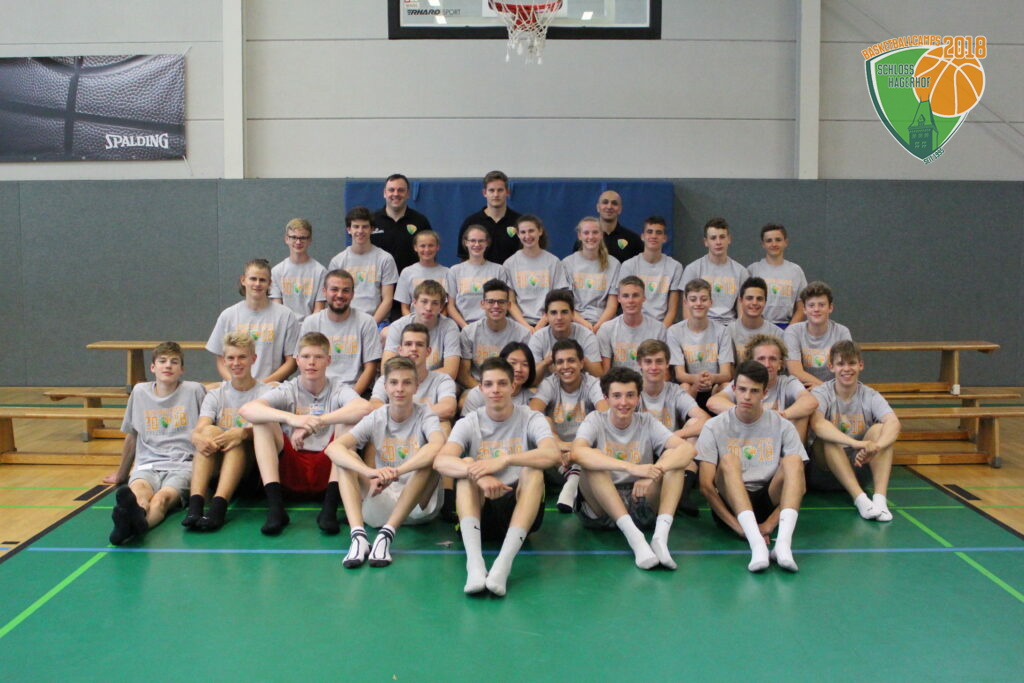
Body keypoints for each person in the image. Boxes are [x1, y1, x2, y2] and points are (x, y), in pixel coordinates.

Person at [434, 357, 559, 596]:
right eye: (489, 384)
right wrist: (479, 475)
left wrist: (507, 460)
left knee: (533, 469)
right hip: (482, 510)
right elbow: (441, 461)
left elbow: (552, 454)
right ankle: (475, 564)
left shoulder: (531, 417)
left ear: (513, 386)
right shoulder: (470, 421)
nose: (495, 390)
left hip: (519, 508)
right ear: (481, 389)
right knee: (466, 467)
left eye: (502, 383)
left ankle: (503, 565)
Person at [238, 332, 372, 536]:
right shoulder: (288, 389)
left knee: (348, 422)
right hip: (293, 467)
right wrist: (293, 419)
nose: (312, 362)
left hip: (329, 467)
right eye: (306, 356)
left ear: (328, 360)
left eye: (318, 357)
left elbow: (365, 408)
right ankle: (276, 509)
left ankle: (329, 509)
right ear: (298, 360)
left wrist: (317, 422)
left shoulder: (337, 388)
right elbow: (247, 409)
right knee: (261, 422)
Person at [571, 367, 697, 570]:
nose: (624, 402)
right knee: (592, 459)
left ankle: (660, 538)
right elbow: (576, 453)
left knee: (673, 459)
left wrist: (655, 472)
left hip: (641, 500)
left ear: (638, 397)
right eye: (617, 396)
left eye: (630, 395)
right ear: (606, 398)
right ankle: (636, 539)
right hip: (603, 506)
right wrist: (631, 468)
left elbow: (688, 450)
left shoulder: (646, 421)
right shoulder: (595, 419)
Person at [326, 357, 447, 568]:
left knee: (432, 456)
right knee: (344, 458)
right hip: (381, 500)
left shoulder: (425, 414)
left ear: (416, 386)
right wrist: (369, 472)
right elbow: (333, 448)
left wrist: (397, 471)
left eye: (406, 382)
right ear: (385, 386)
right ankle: (358, 537)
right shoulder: (377, 416)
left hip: (418, 505)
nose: (399, 389)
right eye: (394, 382)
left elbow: (438, 445)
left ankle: (387, 535)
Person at [696, 361, 807, 572]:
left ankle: (783, 545)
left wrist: (769, 525)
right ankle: (757, 545)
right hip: (731, 503)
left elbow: (799, 486)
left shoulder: (782, 425)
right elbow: (706, 487)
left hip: (767, 501)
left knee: (794, 460)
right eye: (742, 389)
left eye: (754, 391)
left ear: (764, 393)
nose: (747, 396)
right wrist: (740, 528)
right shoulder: (713, 426)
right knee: (729, 459)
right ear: (734, 390)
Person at [108, 342, 207, 545]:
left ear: (182, 369)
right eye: (162, 361)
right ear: (153, 367)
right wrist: (121, 474)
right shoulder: (139, 392)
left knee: (161, 500)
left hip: (183, 465)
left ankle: (132, 528)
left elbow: (208, 424)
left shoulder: (194, 391)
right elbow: (132, 435)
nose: (168, 365)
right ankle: (129, 524)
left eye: (174, 362)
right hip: (147, 464)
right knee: (139, 496)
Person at [184, 332, 271, 531]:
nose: (236, 363)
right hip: (217, 464)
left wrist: (243, 433)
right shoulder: (216, 394)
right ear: (224, 361)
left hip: (249, 469)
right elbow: (200, 428)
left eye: (242, 357)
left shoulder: (266, 393)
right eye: (231, 358)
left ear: (253, 359)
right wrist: (197, 437)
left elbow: (272, 430)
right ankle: (195, 506)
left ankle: (218, 508)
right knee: (209, 430)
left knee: (236, 439)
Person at [809, 341, 901, 522]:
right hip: (824, 472)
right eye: (840, 364)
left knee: (880, 430)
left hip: (859, 467)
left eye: (852, 363)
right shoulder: (821, 392)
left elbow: (894, 423)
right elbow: (817, 424)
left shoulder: (870, 395)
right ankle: (860, 499)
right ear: (831, 367)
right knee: (828, 437)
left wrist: (875, 446)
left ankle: (880, 500)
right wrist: (857, 444)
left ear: (861, 365)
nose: (846, 369)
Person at [529, 339, 608, 511]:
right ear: (554, 366)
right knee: (543, 421)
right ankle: (572, 477)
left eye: (571, 360)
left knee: (597, 419)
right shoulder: (550, 383)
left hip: (587, 459)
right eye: (560, 362)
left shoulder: (592, 383)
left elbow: (605, 413)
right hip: (557, 460)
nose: (565, 366)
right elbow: (532, 413)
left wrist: (578, 448)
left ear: (581, 363)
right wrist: (559, 443)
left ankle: (573, 480)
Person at [636, 339, 710, 516]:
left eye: (659, 361)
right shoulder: (632, 392)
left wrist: (677, 434)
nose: (654, 367)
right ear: (639, 364)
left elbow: (705, 419)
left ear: (667, 364)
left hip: (669, 450)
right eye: (648, 362)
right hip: (640, 450)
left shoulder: (674, 391)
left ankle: (683, 494)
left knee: (694, 427)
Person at [706, 334, 818, 441]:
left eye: (772, 359)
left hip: (778, 439)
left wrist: (781, 415)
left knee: (802, 415)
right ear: (752, 362)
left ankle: (795, 454)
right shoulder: (743, 383)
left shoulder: (787, 383)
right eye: (761, 359)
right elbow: (713, 402)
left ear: (780, 364)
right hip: (747, 439)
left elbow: (810, 401)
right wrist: (747, 414)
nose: (767, 364)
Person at [206, 258, 299, 383]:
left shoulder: (286, 316)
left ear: (270, 283)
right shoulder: (228, 316)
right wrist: (238, 385)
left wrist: (261, 386)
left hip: (272, 389)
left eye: (262, 280)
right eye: (253, 279)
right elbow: (221, 360)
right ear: (243, 280)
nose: (257, 284)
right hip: (236, 388)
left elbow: (291, 362)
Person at [297, 269, 382, 395]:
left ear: (352, 294)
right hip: (317, 392)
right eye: (334, 289)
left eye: (346, 290)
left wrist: (350, 399)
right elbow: (303, 364)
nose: (340, 295)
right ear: (324, 292)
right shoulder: (311, 323)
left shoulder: (366, 322)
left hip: (355, 393)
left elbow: (370, 368)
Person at [369, 323, 458, 428]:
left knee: (444, 425)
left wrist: (401, 414)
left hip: (426, 430)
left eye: (419, 344)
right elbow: (374, 405)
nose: (414, 349)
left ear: (428, 351)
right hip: (394, 431)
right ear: (400, 350)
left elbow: (448, 409)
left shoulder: (442, 379)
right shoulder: (386, 379)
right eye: (408, 344)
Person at [667, 279, 734, 405]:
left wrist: (712, 378)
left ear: (711, 302)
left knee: (726, 386)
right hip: (690, 385)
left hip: (714, 386)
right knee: (684, 387)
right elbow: (679, 374)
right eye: (693, 299)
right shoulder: (674, 331)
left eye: (703, 299)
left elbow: (726, 374)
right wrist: (697, 379)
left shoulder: (722, 331)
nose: (698, 303)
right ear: (685, 302)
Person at [328, 206, 399, 326]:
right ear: (349, 230)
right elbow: (333, 298)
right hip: (346, 322)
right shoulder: (338, 262)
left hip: (377, 322)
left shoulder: (385, 259)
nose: (360, 231)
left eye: (365, 227)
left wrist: (370, 325)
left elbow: (387, 300)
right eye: (356, 226)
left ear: (372, 229)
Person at [445, 225, 525, 328]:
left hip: (493, 326)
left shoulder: (499, 270)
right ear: (466, 242)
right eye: (473, 240)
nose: (477, 244)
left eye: (481, 241)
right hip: (464, 327)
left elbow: (505, 302)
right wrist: (466, 328)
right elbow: (451, 306)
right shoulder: (454, 271)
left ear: (487, 243)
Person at [457, 279, 530, 390]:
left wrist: (506, 392)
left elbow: (526, 373)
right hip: (479, 388)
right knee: (464, 399)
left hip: (512, 389)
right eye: (490, 301)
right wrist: (486, 391)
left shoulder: (523, 334)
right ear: (482, 304)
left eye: (501, 302)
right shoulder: (468, 332)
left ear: (509, 305)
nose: (496, 306)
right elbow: (464, 375)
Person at [383, 279, 460, 380]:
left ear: (441, 307)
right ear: (414, 303)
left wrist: (414, 379)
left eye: (435, 303)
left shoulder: (449, 327)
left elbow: (451, 372)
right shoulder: (398, 326)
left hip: (436, 384)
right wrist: (410, 382)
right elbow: (386, 369)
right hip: (403, 384)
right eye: (424, 301)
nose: (429, 308)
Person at [503, 214, 570, 332]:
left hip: (549, 324)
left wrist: (541, 324)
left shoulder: (553, 262)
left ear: (540, 231)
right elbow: (511, 302)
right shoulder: (509, 264)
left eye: (531, 231)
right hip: (519, 325)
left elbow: (557, 299)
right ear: (518, 234)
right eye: (523, 232)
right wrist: (526, 327)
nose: (527, 236)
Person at [681, 217, 749, 325]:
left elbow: (742, 310)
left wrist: (738, 331)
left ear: (729, 239)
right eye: (713, 238)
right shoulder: (693, 269)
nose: (718, 242)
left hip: (729, 326)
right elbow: (687, 309)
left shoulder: (741, 272)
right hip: (701, 325)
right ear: (706, 242)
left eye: (722, 237)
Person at [783, 281, 852, 388]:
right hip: (803, 390)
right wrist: (823, 388)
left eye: (821, 305)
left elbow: (846, 369)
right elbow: (795, 371)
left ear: (830, 308)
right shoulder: (793, 332)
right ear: (804, 309)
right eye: (811, 305)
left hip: (834, 390)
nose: (816, 309)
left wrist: (826, 391)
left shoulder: (842, 332)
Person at [618, 216, 683, 328]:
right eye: (649, 232)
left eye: (658, 233)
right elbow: (625, 304)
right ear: (643, 236)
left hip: (662, 326)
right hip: (635, 325)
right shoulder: (628, 266)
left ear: (665, 238)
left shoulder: (675, 267)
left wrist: (661, 332)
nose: (653, 236)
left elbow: (672, 310)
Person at [596, 275, 667, 373]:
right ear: (619, 298)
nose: (630, 301)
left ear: (644, 298)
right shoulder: (606, 329)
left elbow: (664, 371)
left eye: (635, 295)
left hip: (648, 381)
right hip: (619, 381)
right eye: (625, 296)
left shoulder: (659, 329)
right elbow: (605, 372)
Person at [528, 289, 604, 380]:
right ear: (546, 316)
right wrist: (546, 362)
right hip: (547, 386)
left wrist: (577, 357)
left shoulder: (587, 336)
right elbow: (530, 379)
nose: (559, 317)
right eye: (553, 313)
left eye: (564, 312)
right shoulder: (538, 338)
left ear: (572, 314)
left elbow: (598, 376)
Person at [561, 216, 620, 333]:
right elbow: (565, 304)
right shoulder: (567, 263)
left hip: (605, 324)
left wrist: (598, 326)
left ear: (601, 234)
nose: (591, 237)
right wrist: (585, 325)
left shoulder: (614, 264)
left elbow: (612, 305)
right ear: (579, 236)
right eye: (586, 233)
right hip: (574, 323)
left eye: (595, 232)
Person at [370, 173, 433, 274]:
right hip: (379, 280)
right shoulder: (372, 221)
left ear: (408, 194)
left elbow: (429, 254)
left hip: (413, 280)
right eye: (391, 190)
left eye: (401, 190)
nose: (396, 194)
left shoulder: (420, 221)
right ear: (384, 193)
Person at [747, 223, 807, 327]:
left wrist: (790, 330)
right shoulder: (753, 270)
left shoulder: (796, 271)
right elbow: (744, 303)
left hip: (786, 326)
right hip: (758, 326)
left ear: (786, 242)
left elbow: (802, 306)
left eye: (778, 240)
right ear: (763, 244)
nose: (774, 244)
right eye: (769, 240)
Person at [457, 170, 522, 264]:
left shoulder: (519, 222)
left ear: (507, 192)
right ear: (484, 193)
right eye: (491, 190)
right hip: (480, 273)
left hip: (512, 273)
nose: (496, 195)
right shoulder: (471, 222)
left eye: (500, 190)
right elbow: (464, 257)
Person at [269, 217, 327, 322]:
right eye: (294, 237)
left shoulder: (320, 271)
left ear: (310, 240)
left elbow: (319, 309)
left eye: (303, 238)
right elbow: (277, 309)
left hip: (311, 328)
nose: (298, 242)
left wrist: (307, 328)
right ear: (286, 239)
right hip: (285, 326)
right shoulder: (277, 271)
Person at [461, 341, 537, 415]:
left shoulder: (533, 400)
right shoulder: (478, 394)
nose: (519, 369)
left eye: (525, 364)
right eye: (513, 363)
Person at [574, 190, 642, 262]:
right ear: (598, 207)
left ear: (620, 209)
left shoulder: (633, 240)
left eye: (614, 203)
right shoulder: (584, 241)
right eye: (605, 202)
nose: (609, 207)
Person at [728, 276, 785, 360]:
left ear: (765, 302)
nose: (754, 302)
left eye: (759, 299)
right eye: (749, 298)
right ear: (741, 301)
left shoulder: (777, 334)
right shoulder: (728, 332)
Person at [394, 230, 449, 317]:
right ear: (415, 247)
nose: (427, 249)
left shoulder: (447, 273)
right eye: (422, 246)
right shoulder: (407, 272)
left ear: (437, 247)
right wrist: (414, 323)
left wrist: (437, 322)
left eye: (431, 245)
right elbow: (404, 308)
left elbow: (446, 308)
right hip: (413, 323)